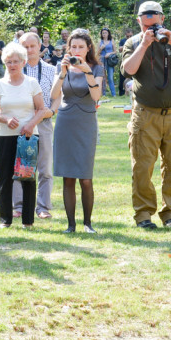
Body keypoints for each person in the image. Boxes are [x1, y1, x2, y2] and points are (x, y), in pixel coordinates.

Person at [121, 1, 171, 229]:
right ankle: (144, 215)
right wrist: (144, 44)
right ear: (139, 22)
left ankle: (170, 214)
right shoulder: (133, 42)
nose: (151, 30)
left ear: (162, 19)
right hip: (145, 114)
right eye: (146, 26)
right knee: (142, 167)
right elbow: (128, 70)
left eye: (154, 25)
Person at [0, 42, 45, 229]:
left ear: (23, 62)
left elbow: (41, 109)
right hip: (4, 136)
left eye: (16, 61)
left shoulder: (31, 83)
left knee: (28, 177)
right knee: (5, 177)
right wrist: (4, 119)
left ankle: (28, 220)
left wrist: (30, 125)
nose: (12, 65)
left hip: (28, 136)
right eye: (9, 62)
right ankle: (5, 220)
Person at [51, 29, 103, 234]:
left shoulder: (97, 68)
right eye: (73, 46)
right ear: (68, 47)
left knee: (86, 177)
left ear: (88, 48)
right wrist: (63, 72)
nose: (77, 50)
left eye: (81, 47)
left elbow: (96, 95)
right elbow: (54, 94)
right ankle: (71, 225)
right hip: (65, 121)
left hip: (86, 122)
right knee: (68, 177)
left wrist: (86, 70)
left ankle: (88, 223)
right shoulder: (60, 66)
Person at [12, 32, 59, 221]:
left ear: (40, 46)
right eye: (25, 46)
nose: (29, 50)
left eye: (32, 46)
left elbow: (57, 96)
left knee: (45, 167)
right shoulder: (14, 69)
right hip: (21, 122)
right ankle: (19, 206)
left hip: (44, 122)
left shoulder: (51, 69)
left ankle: (42, 207)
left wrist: (52, 112)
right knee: (20, 165)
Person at [97, 28, 117, 97]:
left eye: (105, 33)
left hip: (109, 61)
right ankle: (104, 93)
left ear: (108, 33)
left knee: (110, 78)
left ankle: (113, 94)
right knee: (103, 77)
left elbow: (115, 51)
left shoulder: (112, 41)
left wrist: (109, 53)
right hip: (102, 61)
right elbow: (97, 53)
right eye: (103, 33)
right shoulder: (100, 42)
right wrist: (101, 48)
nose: (104, 34)